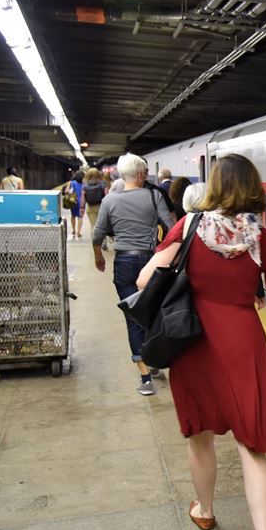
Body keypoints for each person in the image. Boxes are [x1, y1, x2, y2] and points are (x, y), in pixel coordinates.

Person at [136, 153, 266, 530]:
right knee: (252, 446)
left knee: (201, 436)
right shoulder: (259, 236)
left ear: (214, 185)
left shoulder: (190, 225)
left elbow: (144, 280)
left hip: (195, 341)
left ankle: (206, 511)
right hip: (244, 340)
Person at [91, 153, 175, 395]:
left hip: (124, 262)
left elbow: (97, 235)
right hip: (151, 262)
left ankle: (145, 377)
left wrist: (98, 256)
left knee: (133, 316)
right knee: (153, 312)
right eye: (145, 173)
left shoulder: (109, 200)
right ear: (139, 175)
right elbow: (170, 229)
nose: (146, 176)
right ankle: (154, 358)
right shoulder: (154, 196)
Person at [81, 168, 107, 249]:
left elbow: (83, 198)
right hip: (101, 207)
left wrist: (82, 208)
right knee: (102, 226)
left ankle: (95, 244)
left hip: (90, 207)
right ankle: (104, 244)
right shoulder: (102, 184)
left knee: (93, 226)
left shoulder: (85, 186)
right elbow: (107, 196)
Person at [64, 170, 85, 239]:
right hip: (81, 201)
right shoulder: (84, 184)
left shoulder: (71, 182)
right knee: (80, 217)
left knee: (73, 216)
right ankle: (79, 232)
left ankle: (73, 230)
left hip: (73, 201)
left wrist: (70, 191)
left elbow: (66, 191)